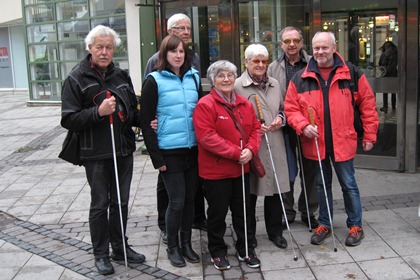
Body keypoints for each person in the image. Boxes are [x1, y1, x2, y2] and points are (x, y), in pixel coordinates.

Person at [60, 25, 145, 275]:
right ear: (90, 48)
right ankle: (101, 253)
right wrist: (98, 112)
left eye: (109, 47)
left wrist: (144, 119)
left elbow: (130, 110)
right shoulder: (76, 78)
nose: (105, 52)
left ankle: (120, 247)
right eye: (100, 47)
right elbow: (68, 119)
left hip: (123, 149)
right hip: (95, 153)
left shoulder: (121, 75)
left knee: (121, 202)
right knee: (100, 203)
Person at [284, 31, 379, 247]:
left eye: (324, 47)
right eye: (316, 48)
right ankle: (325, 224)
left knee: (349, 185)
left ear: (334, 48)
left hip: (342, 141)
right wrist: (303, 125)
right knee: (321, 186)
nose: (320, 52)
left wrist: (370, 134)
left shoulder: (352, 73)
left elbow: (368, 105)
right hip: (316, 143)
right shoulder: (300, 78)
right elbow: (290, 108)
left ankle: (356, 225)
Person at [143, 14, 206, 245]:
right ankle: (170, 235)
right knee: (174, 198)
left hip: (191, 145)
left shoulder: (194, 68)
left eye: (188, 28)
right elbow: (148, 110)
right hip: (168, 145)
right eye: (181, 28)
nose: (186, 31)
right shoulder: (154, 72)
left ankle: (188, 239)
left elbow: (199, 106)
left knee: (188, 197)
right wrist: (155, 154)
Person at [193, 60, 262, 271]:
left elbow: (256, 129)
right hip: (216, 172)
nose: (226, 79)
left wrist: (251, 150)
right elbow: (207, 137)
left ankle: (246, 249)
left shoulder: (244, 103)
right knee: (217, 214)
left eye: (230, 75)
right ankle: (217, 251)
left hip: (242, 169)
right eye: (221, 75)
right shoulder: (205, 105)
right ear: (213, 80)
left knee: (243, 212)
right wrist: (236, 153)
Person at [234, 44, 289, 249]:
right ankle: (249, 235)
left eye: (263, 61)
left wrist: (281, 119)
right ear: (246, 62)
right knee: (249, 193)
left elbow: (286, 109)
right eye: (255, 61)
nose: (260, 65)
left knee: (275, 191)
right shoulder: (238, 85)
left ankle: (275, 232)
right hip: (251, 146)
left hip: (275, 142)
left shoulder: (275, 83)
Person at [267, 26, 319, 229]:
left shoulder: (312, 64)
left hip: (308, 126)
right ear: (281, 44)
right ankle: (287, 211)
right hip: (284, 128)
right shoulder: (273, 67)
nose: (291, 45)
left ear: (301, 42)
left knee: (310, 171)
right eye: (287, 41)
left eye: (295, 41)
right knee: (286, 170)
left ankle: (308, 211)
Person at [378, 41, 398, 113]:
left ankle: (385, 106)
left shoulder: (384, 54)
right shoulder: (396, 52)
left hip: (386, 74)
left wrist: (382, 70)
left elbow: (381, 64)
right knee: (393, 91)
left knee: (385, 91)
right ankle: (393, 106)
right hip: (394, 74)